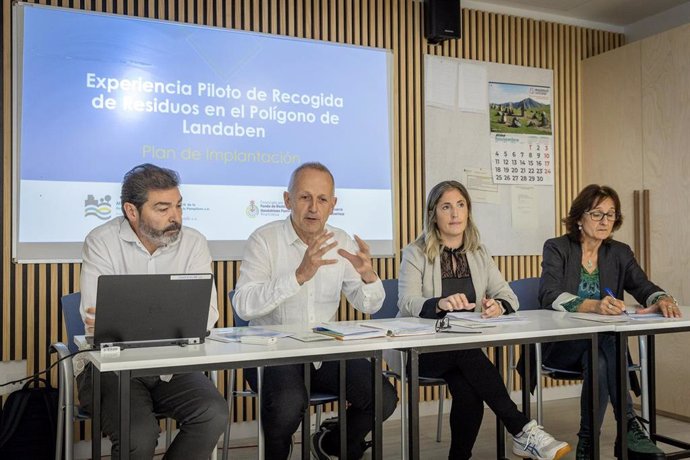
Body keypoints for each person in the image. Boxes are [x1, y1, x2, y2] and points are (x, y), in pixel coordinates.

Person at [233, 162, 398, 460]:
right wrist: (298, 275)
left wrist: (369, 277)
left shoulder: (341, 242)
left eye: (322, 200)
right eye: (304, 197)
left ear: (333, 205)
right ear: (287, 200)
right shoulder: (264, 239)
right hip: (273, 354)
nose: (313, 208)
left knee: (383, 397)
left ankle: (330, 442)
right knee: (287, 404)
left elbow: (368, 304)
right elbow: (243, 304)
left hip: (324, 350)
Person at [398, 180, 571, 460]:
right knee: (467, 351)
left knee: (469, 393)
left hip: (460, 352)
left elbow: (508, 296)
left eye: (461, 205)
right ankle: (521, 428)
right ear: (433, 214)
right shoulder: (415, 253)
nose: (455, 213)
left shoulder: (479, 252)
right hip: (421, 350)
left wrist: (497, 307)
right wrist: (439, 303)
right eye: (446, 206)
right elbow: (405, 302)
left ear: (468, 211)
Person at [76, 163, 228, 460]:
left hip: (172, 365)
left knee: (213, 412)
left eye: (179, 206)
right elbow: (96, 319)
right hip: (114, 369)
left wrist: (136, 323)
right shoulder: (101, 241)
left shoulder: (194, 242)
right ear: (132, 211)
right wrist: (169, 323)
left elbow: (207, 315)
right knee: (139, 436)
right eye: (162, 208)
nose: (175, 217)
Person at [539, 184, 681, 460]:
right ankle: (629, 427)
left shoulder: (619, 252)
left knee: (601, 356)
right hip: (563, 344)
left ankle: (588, 441)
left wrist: (662, 297)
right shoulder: (557, 248)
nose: (605, 221)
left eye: (611, 214)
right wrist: (595, 306)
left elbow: (642, 285)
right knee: (607, 342)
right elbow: (548, 294)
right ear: (579, 218)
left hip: (600, 350)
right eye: (597, 214)